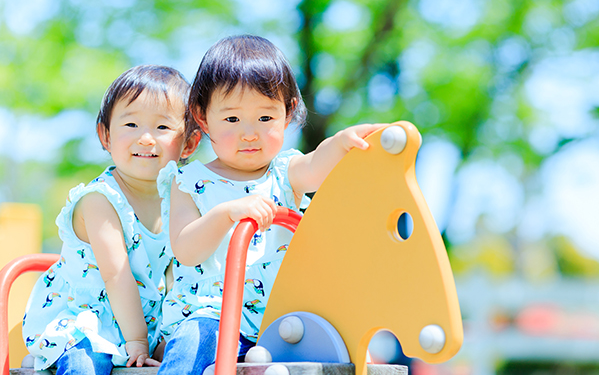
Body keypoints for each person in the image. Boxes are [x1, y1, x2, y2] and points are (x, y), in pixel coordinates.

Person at [156, 34, 385, 374]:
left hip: (282, 319)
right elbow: (187, 250)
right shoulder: (189, 182)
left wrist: (341, 143)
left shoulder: (285, 173)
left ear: (288, 113)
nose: (250, 133)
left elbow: (317, 168)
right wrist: (226, 214)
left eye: (265, 119)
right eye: (232, 120)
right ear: (202, 119)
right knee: (191, 345)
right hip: (212, 316)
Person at [22, 65, 201, 374]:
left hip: (139, 325)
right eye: (131, 124)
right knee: (88, 361)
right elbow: (116, 276)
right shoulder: (99, 200)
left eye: (162, 128)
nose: (145, 138)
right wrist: (137, 340)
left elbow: (178, 272)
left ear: (189, 143)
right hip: (86, 320)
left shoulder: (180, 199)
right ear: (105, 135)